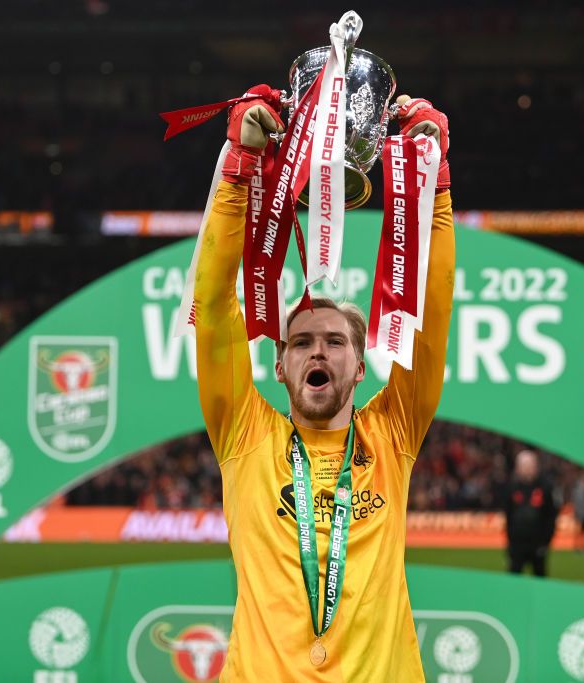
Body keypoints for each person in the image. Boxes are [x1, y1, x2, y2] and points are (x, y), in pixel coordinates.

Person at [193, 85, 454, 681]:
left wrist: (432, 186)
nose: (319, 351)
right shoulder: (243, 434)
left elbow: (430, 312)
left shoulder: (394, 433)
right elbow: (212, 308)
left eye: (336, 342)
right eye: (303, 342)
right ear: (280, 366)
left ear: (360, 368)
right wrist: (239, 169)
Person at [503, 449, 559, 576]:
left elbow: (551, 516)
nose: (527, 469)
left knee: (539, 579)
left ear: (536, 467)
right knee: (513, 581)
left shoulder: (545, 488)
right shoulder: (511, 488)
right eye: (524, 466)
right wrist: (510, 541)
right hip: (517, 544)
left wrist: (546, 542)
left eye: (530, 466)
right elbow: (508, 515)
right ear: (517, 468)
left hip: (538, 544)